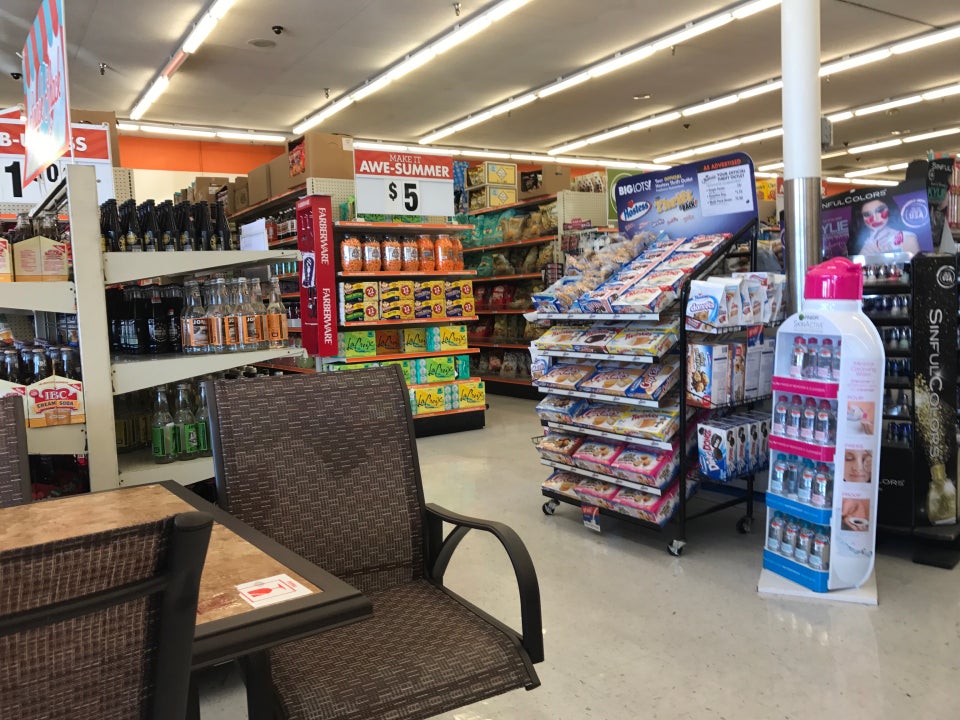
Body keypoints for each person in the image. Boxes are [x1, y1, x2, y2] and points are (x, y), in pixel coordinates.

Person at [848, 197, 921, 255]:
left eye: (880, 210)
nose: (875, 218)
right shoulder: (855, 243)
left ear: (890, 209)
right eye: (867, 214)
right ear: (860, 218)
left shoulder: (907, 238)